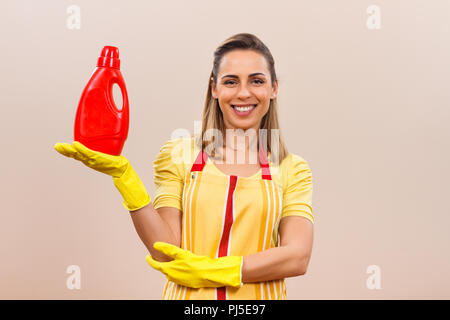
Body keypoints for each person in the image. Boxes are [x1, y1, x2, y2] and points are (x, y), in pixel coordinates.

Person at [54, 32, 314, 300]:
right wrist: (125, 177)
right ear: (214, 88)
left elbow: (297, 257)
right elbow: (165, 250)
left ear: (274, 88)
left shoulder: (291, 169)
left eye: (257, 81)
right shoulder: (179, 155)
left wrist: (212, 270)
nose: (244, 93)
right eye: (231, 81)